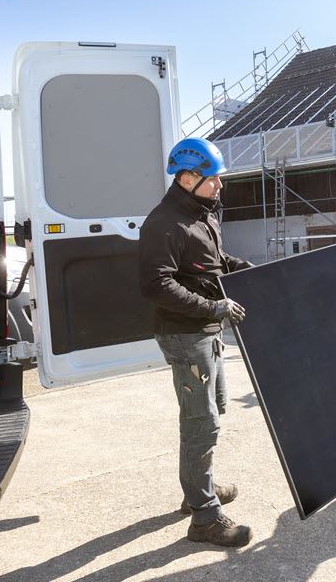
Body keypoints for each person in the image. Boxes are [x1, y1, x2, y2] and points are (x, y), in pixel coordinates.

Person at [139, 137, 254, 548]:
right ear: (188, 178)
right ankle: (204, 518)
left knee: (212, 412)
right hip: (186, 335)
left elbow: (213, 265)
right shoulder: (165, 223)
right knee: (201, 423)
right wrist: (213, 307)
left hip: (206, 331)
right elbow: (156, 285)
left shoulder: (202, 214)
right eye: (213, 179)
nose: (220, 185)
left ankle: (198, 489)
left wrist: (246, 271)